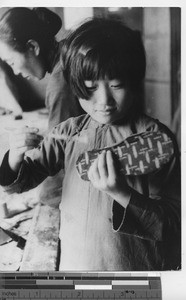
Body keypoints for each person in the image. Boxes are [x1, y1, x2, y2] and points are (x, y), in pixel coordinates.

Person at [0, 18, 181, 271]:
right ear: (75, 85)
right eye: (90, 87)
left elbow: (175, 225)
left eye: (116, 85)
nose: (104, 101)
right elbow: (22, 181)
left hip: (131, 274)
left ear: (134, 80)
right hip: (75, 266)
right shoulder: (68, 131)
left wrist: (122, 193)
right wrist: (14, 157)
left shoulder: (157, 139)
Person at [0, 7, 83, 208]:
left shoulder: (60, 81)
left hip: (86, 178)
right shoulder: (66, 54)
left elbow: (60, 152)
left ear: (33, 47)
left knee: (47, 195)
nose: (16, 71)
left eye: (11, 61)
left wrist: (13, 159)